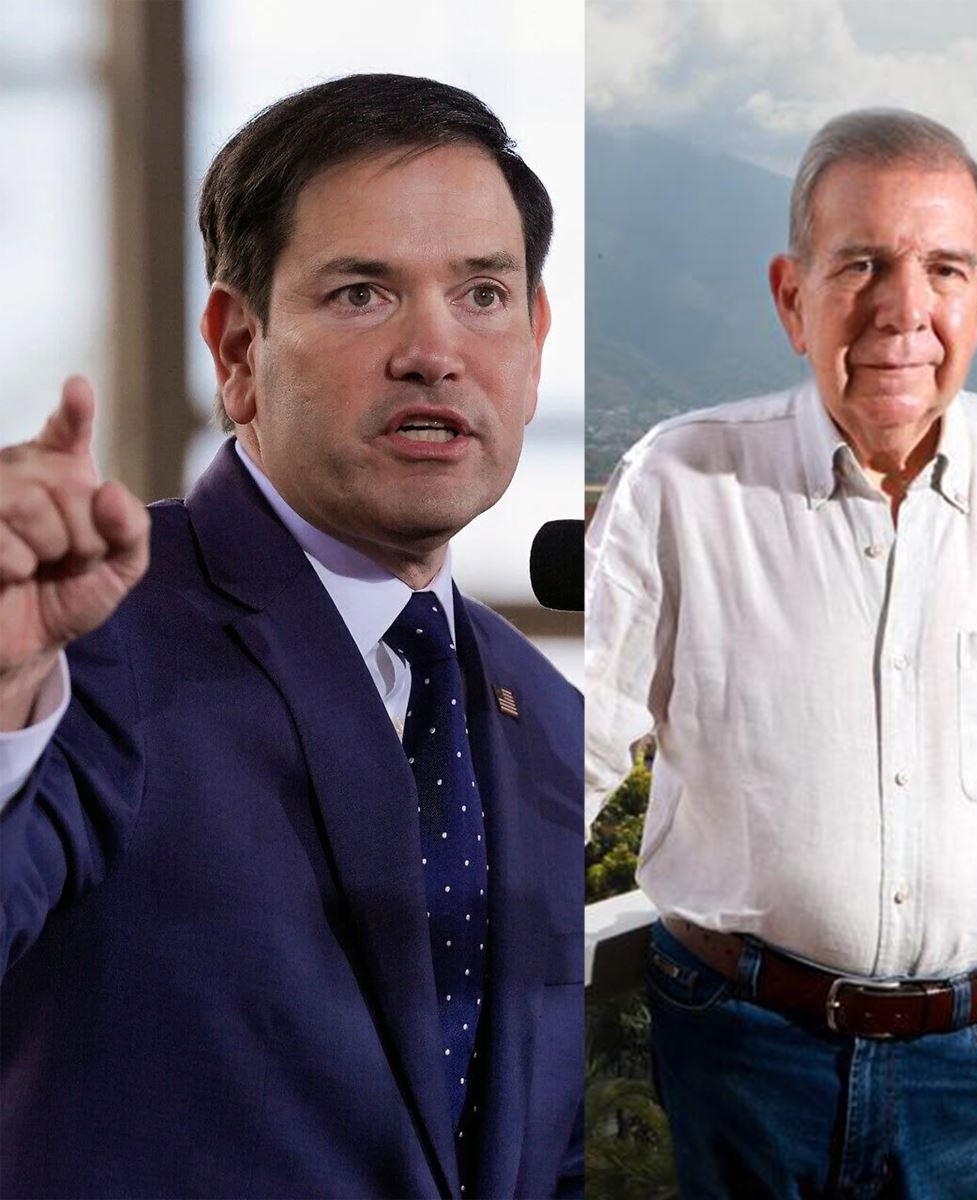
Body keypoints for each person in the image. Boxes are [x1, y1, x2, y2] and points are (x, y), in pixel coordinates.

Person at [0, 75, 583, 1198]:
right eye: (364, 293)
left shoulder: (545, 714)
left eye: (484, 294)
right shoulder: (89, 636)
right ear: (237, 346)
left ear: (536, 337)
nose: (435, 351)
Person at [586, 108, 977, 1197]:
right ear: (792, 293)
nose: (903, 310)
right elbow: (575, 754)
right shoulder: (679, 482)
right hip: (738, 1052)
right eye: (862, 263)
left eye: (943, 268)